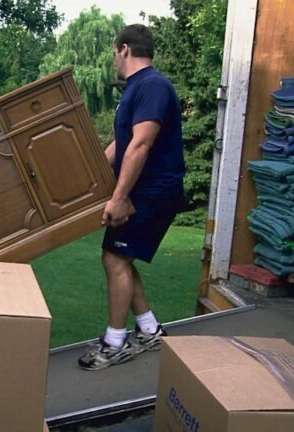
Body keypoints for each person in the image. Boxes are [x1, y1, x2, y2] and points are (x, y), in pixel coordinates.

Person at [78, 24, 186, 371]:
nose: (114, 60)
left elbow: (141, 144)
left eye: (114, 53)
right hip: (145, 188)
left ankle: (115, 343)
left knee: (115, 259)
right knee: (120, 258)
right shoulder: (137, 88)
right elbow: (121, 143)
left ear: (124, 48)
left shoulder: (152, 85)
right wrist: (90, 176)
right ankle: (149, 330)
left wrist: (119, 197)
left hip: (154, 189)